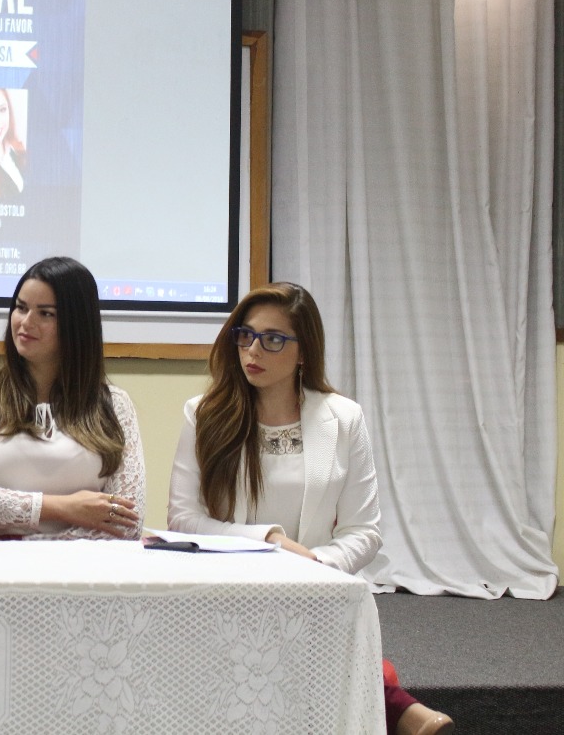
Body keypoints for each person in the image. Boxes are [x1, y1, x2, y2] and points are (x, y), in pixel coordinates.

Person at [166, 282, 453, 735]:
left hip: (315, 591)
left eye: (273, 339)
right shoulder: (204, 414)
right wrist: (270, 543)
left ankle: (392, 706)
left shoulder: (344, 418)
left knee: (309, 620)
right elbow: (183, 519)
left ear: (304, 352)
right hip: (228, 587)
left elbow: (364, 531)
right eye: (246, 335)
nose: (253, 350)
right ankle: (397, 707)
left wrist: (314, 566)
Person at [0, 257, 144, 539]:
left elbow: (127, 522)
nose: (26, 322)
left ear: (77, 324)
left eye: (45, 314)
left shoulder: (115, 405)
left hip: (80, 562)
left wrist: (35, 548)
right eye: (21, 308)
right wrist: (58, 508)